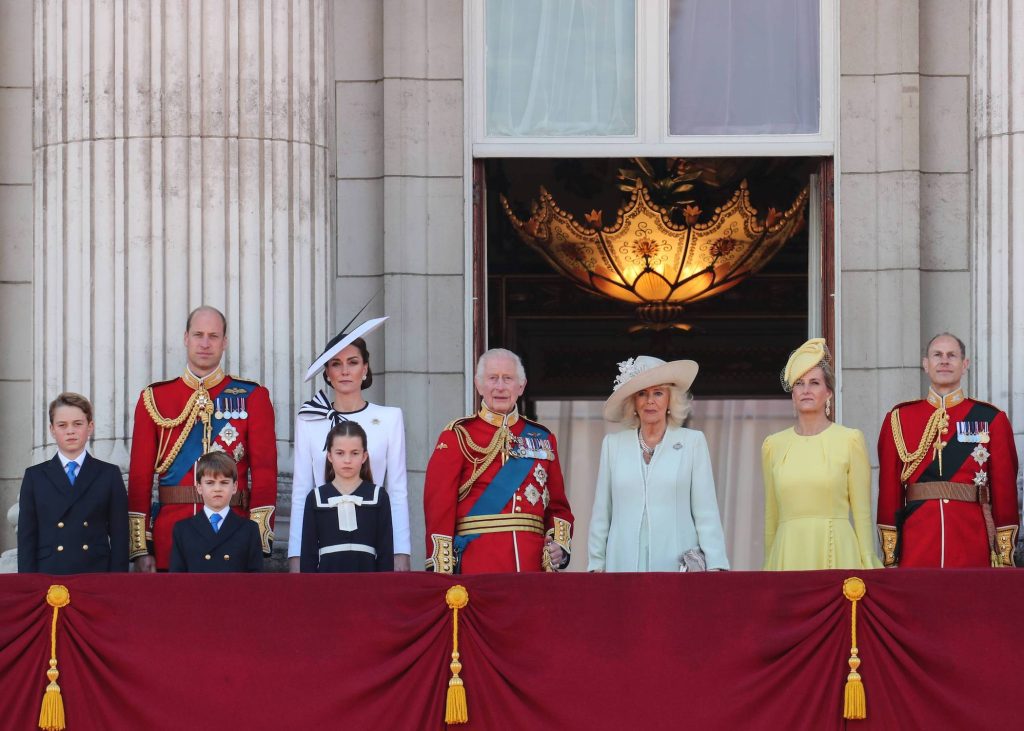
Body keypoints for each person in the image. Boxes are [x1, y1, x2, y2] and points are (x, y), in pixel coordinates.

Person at [128, 306, 278, 571]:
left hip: (234, 539)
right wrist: (142, 547)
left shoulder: (253, 397)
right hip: (170, 539)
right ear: (186, 338)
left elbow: (265, 473)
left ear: (225, 342)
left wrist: (257, 541)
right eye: (198, 335)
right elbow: (140, 478)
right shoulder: (154, 399)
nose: (205, 343)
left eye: (213, 336)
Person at [423, 348, 574, 573]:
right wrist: (443, 570)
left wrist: (559, 546)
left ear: (521, 386)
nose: (500, 387)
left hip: (531, 565)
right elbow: (439, 506)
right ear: (479, 384)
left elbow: (558, 507)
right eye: (493, 378)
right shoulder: (457, 436)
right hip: (477, 563)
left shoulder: (542, 438)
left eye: (508, 378)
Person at [877, 332, 1019, 567]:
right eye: (937, 355)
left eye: (952, 355)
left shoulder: (991, 419)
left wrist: (1004, 556)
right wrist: (891, 556)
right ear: (926, 364)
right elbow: (889, 493)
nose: (944, 361)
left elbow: (1005, 491)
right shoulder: (899, 419)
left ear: (965, 365)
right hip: (918, 542)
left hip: (971, 541)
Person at [288, 315, 411, 571]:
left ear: (365, 368)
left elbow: (398, 491)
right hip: (324, 545)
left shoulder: (389, 418)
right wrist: (296, 556)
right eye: (336, 364)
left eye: (353, 362)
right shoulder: (310, 419)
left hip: (373, 540)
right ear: (327, 373)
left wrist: (401, 552)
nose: (345, 371)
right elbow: (301, 491)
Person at [588, 356, 729, 572]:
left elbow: (706, 511)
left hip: (676, 568)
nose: (649, 401)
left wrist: (716, 565)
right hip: (622, 567)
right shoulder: (613, 445)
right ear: (633, 402)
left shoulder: (692, 443)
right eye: (642, 394)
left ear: (670, 400)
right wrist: (596, 565)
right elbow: (602, 513)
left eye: (658, 393)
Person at [762, 339, 881, 570]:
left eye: (814, 383)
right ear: (793, 394)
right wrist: (768, 565)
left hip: (836, 550)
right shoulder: (773, 445)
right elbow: (771, 516)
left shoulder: (850, 440)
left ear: (828, 393)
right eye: (799, 383)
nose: (806, 390)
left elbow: (862, 512)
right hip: (787, 553)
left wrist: (867, 560)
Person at [18, 393, 129, 574]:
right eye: (62, 425)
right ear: (52, 429)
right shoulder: (34, 477)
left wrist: (116, 582)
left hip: (95, 572)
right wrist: (29, 583)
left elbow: (120, 536)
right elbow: (26, 538)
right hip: (49, 573)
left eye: (78, 424)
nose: (70, 431)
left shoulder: (109, 474)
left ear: (90, 427)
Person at [300, 421, 394, 572]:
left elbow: (385, 554)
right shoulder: (316, 497)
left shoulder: (379, 496)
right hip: (327, 586)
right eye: (340, 453)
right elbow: (308, 556)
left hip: (367, 586)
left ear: (364, 456)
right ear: (330, 456)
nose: (347, 460)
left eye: (355, 453)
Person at [168, 452, 264, 572]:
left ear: (234, 487)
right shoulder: (182, 529)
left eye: (224, 482)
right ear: (199, 487)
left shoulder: (250, 530)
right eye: (210, 483)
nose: (217, 489)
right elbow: (177, 580)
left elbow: (255, 581)